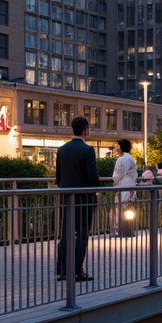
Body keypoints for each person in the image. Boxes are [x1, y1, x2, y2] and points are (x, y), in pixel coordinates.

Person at [55, 117, 100, 281]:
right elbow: (93, 177)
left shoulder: (62, 150)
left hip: (66, 198)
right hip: (84, 198)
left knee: (66, 233)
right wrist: (96, 190)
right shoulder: (88, 150)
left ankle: (63, 269)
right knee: (82, 234)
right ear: (85, 130)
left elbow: (59, 178)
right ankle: (77, 270)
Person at [111, 138, 138, 236]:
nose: (115, 148)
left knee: (120, 209)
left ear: (121, 147)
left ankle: (120, 231)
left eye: (117, 146)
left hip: (123, 187)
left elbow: (117, 174)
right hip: (130, 187)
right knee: (127, 209)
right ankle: (126, 231)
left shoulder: (122, 159)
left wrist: (114, 181)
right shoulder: (130, 159)